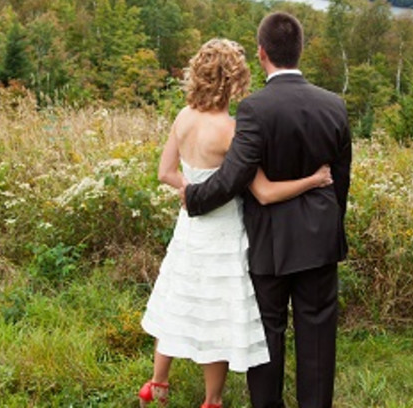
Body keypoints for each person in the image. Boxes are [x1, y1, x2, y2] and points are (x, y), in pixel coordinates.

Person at [139, 38, 334, 408]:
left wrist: (190, 189)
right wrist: (313, 180)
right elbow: (264, 192)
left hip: (189, 229)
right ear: (235, 81)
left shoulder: (183, 117)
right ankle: (212, 400)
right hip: (222, 233)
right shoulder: (231, 131)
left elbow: (165, 172)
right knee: (217, 312)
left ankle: (157, 384)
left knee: (178, 299)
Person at [183, 13, 352, 408]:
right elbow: (340, 180)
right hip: (319, 241)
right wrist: (329, 225)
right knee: (317, 336)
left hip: (269, 243)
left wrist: (193, 197)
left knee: (267, 334)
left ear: (262, 54)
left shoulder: (254, 109)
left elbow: (235, 175)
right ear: (300, 50)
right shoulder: (334, 105)